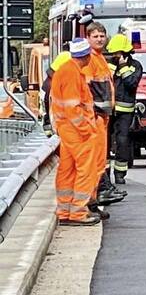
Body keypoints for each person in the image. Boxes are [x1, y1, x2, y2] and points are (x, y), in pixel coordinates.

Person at [50, 39, 100, 225]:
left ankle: (64, 211)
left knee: (67, 170)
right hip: (77, 131)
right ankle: (78, 212)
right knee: (85, 170)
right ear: (86, 56)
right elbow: (73, 107)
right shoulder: (72, 73)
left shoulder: (65, 70)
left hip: (67, 129)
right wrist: (86, 129)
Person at [83, 22, 124, 210]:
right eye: (95, 36)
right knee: (96, 159)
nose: (99, 39)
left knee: (100, 158)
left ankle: (100, 193)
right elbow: (87, 89)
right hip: (96, 116)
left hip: (102, 116)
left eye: (102, 36)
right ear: (88, 38)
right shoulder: (90, 59)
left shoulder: (99, 59)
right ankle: (97, 194)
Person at [106, 34, 142, 185]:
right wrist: (115, 67)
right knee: (105, 142)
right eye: (114, 53)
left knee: (122, 141)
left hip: (125, 112)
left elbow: (131, 84)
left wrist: (123, 67)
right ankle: (105, 174)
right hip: (108, 110)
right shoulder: (107, 65)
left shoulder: (136, 66)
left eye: (119, 53)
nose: (116, 55)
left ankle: (120, 173)